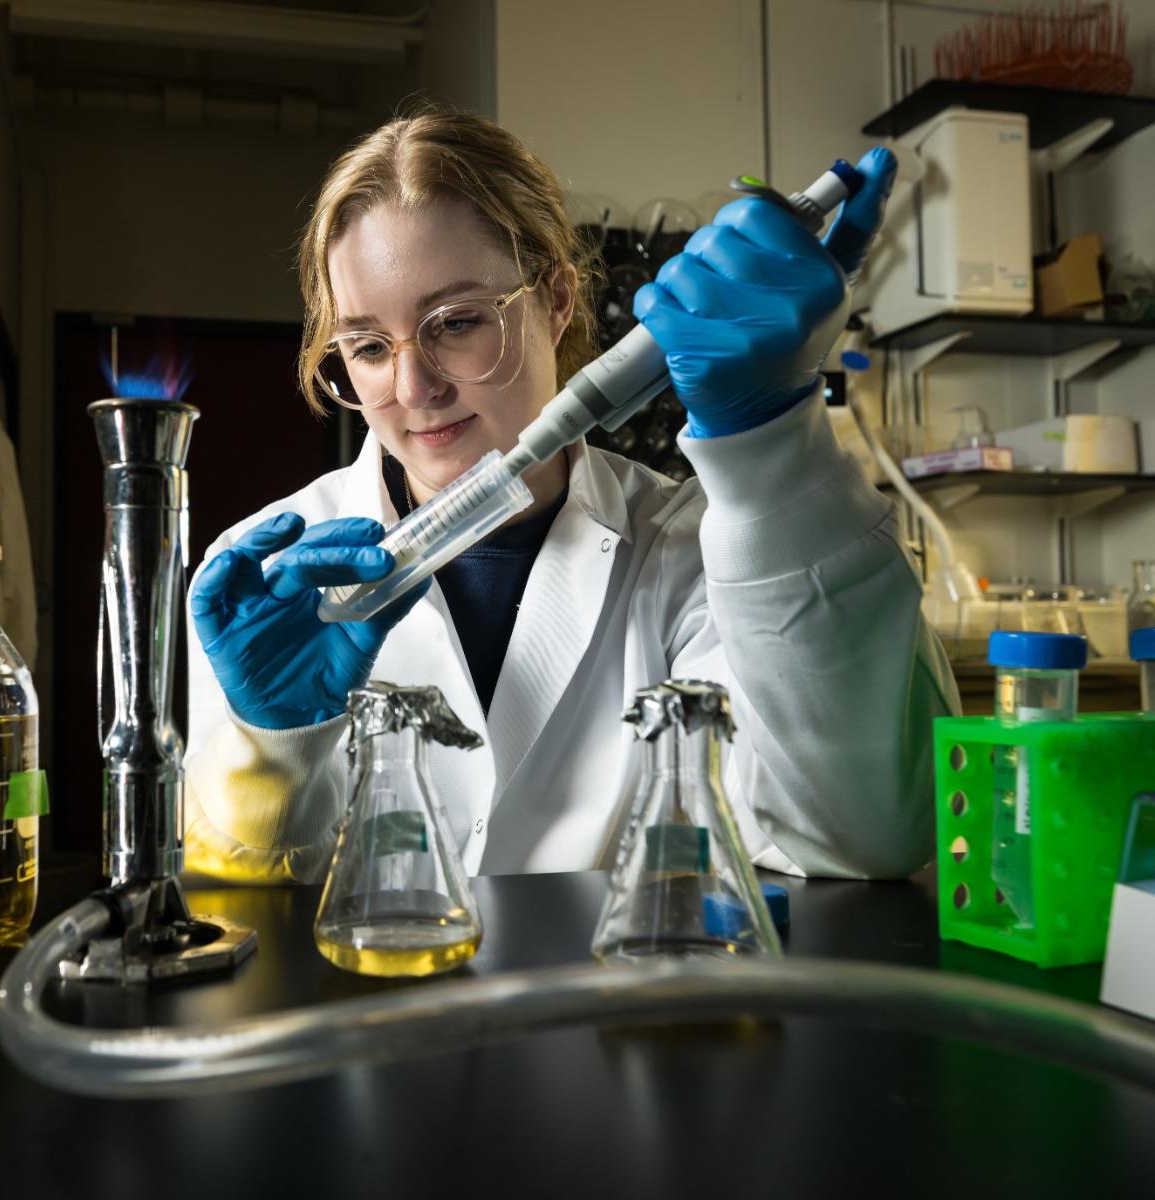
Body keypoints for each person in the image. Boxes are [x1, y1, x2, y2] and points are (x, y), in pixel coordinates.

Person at [181, 109, 957, 885]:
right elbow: (233, 911)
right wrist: (273, 753)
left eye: (455, 323)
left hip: (615, 1005)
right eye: (369, 346)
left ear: (555, 300)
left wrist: (773, 447)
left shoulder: (691, 551)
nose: (413, 388)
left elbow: (868, 832)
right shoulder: (270, 578)